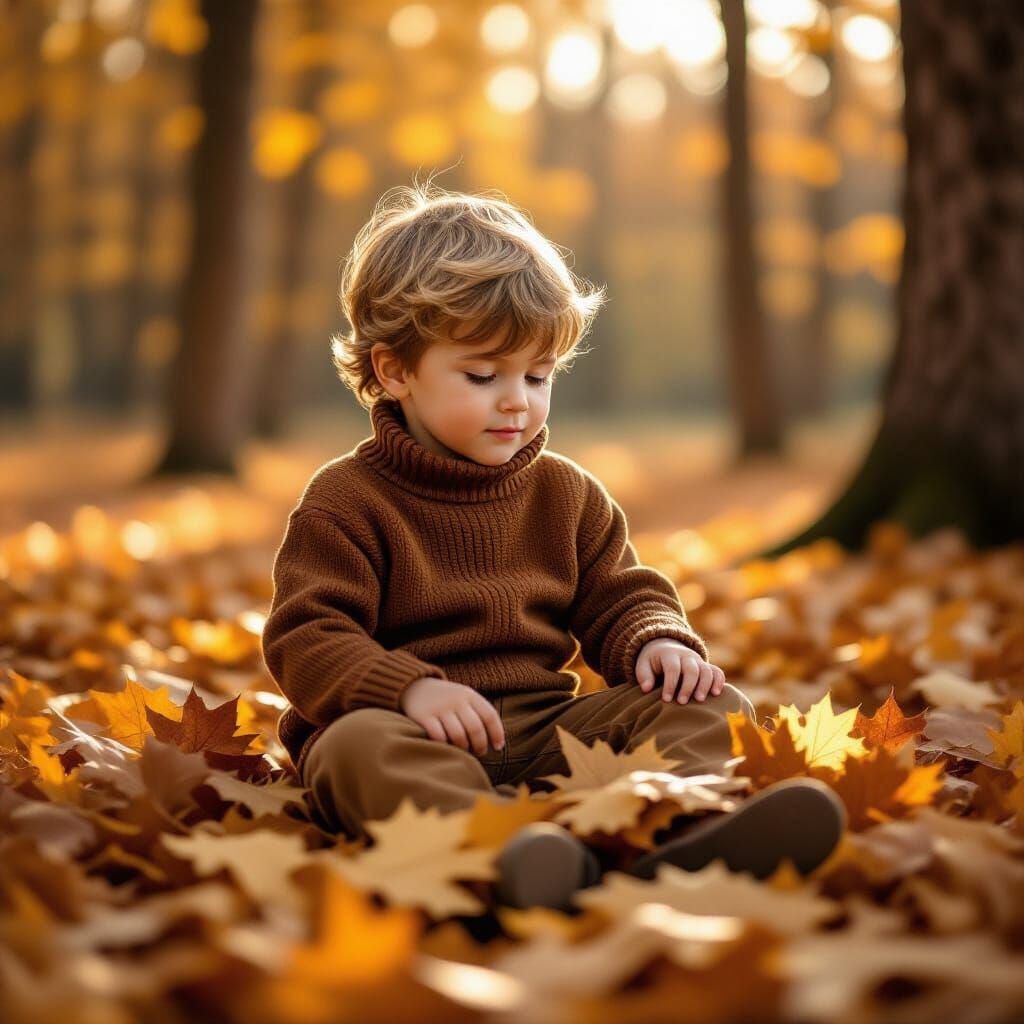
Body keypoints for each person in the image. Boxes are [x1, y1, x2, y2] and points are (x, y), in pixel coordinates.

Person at [260, 180, 846, 913]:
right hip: (413, 737)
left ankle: (682, 831)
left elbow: (619, 592)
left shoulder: (566, 494)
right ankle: (501, 862)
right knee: (353, 751)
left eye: (538, 376)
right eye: (483, 375)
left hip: (543, 732)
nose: (518, 400)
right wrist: (406, 688)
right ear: (394, 370)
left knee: (709, 702)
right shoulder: (347, 499)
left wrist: (653, 643)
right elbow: (307, 635)